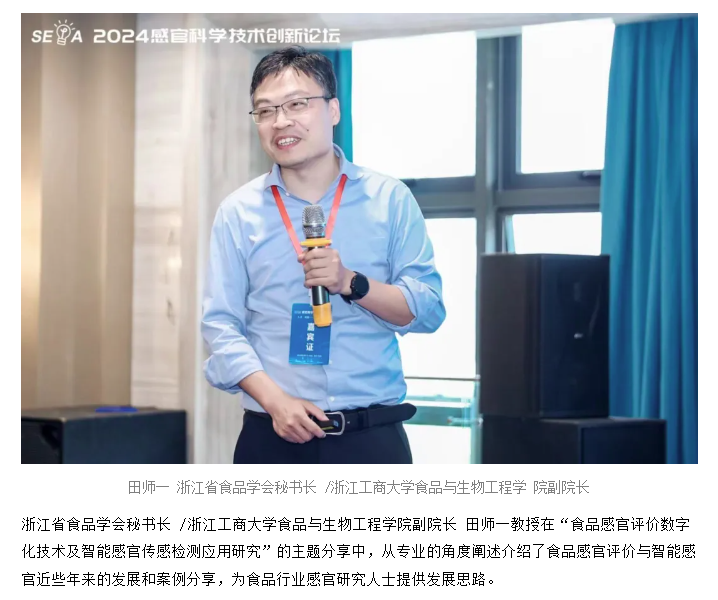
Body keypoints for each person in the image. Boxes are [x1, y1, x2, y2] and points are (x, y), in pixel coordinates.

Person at [201, 45, 446, 464]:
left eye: (297, 104)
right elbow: (220, 326)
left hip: (371, 437)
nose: (281, 121)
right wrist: (276, 402)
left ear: (333, 110)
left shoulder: (389, 199)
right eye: (265, 110)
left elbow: (426, 311)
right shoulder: (237, 212)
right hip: (274, 436)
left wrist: (350, 283)